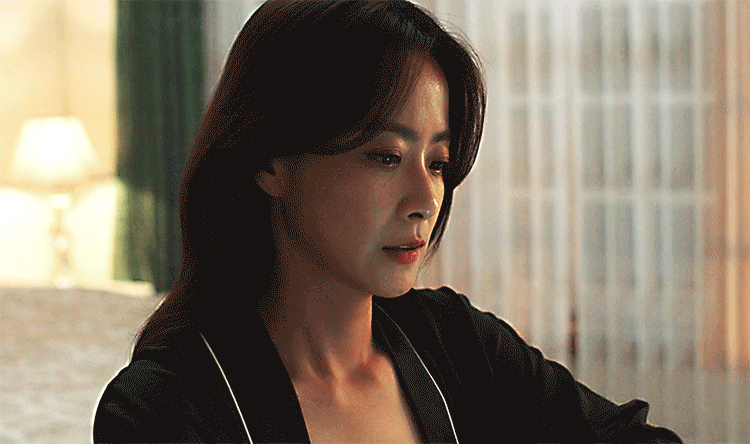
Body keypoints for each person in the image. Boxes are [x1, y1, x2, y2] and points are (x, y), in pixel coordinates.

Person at [93, 1, 683, 442]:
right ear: (269, 162)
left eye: (438, 163)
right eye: (385, 157)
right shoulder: (168, 408)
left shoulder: (454, 341)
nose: (426, 198)